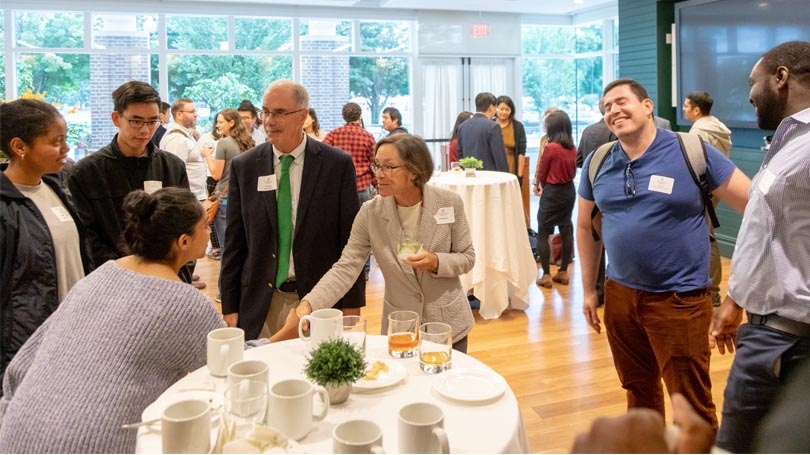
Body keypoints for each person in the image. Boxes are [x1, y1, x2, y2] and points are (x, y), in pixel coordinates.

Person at [0, 188, 299, 453]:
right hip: (95, 443)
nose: (209, 234)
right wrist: (286, 332)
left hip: (15, 432)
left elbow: (20, 368)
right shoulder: (183, 303)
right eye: (205, 227)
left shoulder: (99, 276)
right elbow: (233, 364)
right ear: (183, 241)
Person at [576, 78, 751, 430]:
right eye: (606, 107)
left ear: (647, 105)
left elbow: (757, 209)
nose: (613, 110)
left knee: (691, 403)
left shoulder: (691, 150)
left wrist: (741, 289)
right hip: (620, 297)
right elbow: (584, 225)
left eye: (621, 101)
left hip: (680, 300)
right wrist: (589, 290)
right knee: (638, 393)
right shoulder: (599, 161)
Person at [709, 40, 810, 454]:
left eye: (753, 82)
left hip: (790, 342)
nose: (748, 94)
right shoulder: (789, 141)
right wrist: (736, 299)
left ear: (780, 77)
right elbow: (766, 231)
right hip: (766, 334)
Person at [299, 134, 475, 352]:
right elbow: (346, 267)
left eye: (389, 167)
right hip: (400, 326)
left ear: (414, 171)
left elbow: (467, 257)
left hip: (446, 324)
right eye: (377, 166)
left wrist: (436, 261)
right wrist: (310, 303)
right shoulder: (371, 213)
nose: (378, 175)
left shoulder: (449, 202)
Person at [220, 79, 365, 340]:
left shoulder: (336, 165)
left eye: (278, 112)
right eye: (265, 111)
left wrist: (352, 299)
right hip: (261, 300)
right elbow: (234, 241)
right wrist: (230, 303)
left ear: (302, 116)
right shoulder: (246, 166)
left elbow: (350, 241)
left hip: (319, 299)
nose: (268, 120)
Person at [0, 99, 93, 390]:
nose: (66, 149)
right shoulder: (5, 206)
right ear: (20, 146)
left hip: (73, 331)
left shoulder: (56, 187)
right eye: (56, 142)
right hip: (27, 344)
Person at [67, 81, 190, 275]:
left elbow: (186, 226)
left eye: (152, 121)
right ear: (117, 118)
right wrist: (126, 273)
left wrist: (177, 272)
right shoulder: (86, 172)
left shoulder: (172, 167)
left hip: (167, 277)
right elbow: (87, 237)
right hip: (111, 279)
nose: (145, 130)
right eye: (136, 121)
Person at [683, 90, 733, 308]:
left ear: (696, 110)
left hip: (703, 190)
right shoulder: (717, 127)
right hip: (713, 189)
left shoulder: (700, 133)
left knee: (706, 236)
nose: (683, 109)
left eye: (686, 105)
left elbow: (697, 165)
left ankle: (712, 292)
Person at [160, 98, 209, 290]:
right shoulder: (176, 139)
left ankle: (186, 280)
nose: (196, 115)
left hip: (194, 198)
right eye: (191, 111)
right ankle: (182, 286)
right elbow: (175, 172)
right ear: (179, 114)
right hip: (187, 200)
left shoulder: (185, 136)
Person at [575, 98, 614, 306]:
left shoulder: (588, 130)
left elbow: (579, 159)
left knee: (593, 236)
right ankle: (611, 286)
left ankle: (596, 290)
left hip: (590, 188)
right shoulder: (615, 131)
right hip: (614, 188)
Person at [533, 111, 576, 288]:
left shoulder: (550, 147)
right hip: (568, 191)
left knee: (543, 232)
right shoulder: (572, 147)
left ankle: (546, 275)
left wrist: (540, 185)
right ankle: (564, 272)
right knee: (566, 228)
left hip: (552, 192)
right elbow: (574, 171)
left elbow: (543, 171)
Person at [457, 92, 508, 172]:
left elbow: (460, 155)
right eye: (496, 108)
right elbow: (499, 157)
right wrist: (506, 176)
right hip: (489, 177)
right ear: (491, 107)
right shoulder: (493, 127)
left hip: (468, 175)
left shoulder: (462, 126)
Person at [495, 95, 527, 181]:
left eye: (507, 109)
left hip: (511, 164)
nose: (504, 112)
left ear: (511, 111)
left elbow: (521, 152)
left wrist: (520, 175)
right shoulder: (489, 124)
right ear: (495, 109)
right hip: (493, 166)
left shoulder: (518, 126)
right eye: (501, 109)